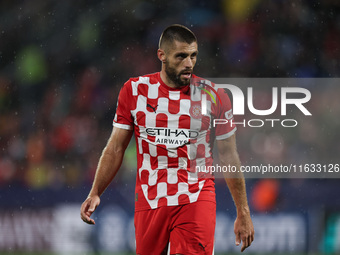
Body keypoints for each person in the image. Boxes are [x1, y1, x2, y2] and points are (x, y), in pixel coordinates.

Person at [80, 24, 254, 255]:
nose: (189, 63)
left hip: (195, 195)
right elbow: (115, 148)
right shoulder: (134, 91)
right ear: (161, 55)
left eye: (193, 56)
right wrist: (95, 192)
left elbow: (229, 154)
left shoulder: (214, 95)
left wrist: (243, 212)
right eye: (181, 56)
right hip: (150, 199)